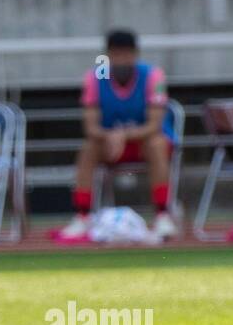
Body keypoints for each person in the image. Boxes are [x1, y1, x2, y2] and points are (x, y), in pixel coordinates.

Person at [57, 29, 178, 241]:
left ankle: (162, 215)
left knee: (156, 144)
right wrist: (111, 136)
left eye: (126, 54)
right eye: (116, 54)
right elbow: (90, 126)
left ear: (135, 54)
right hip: (110, 145)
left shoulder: (152, 75)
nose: (121, 60)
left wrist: (123, 135)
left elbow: (154, 125)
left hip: (144, 144)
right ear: (108, 55)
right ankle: (83, 216)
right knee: (88, 148)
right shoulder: (95, 78)